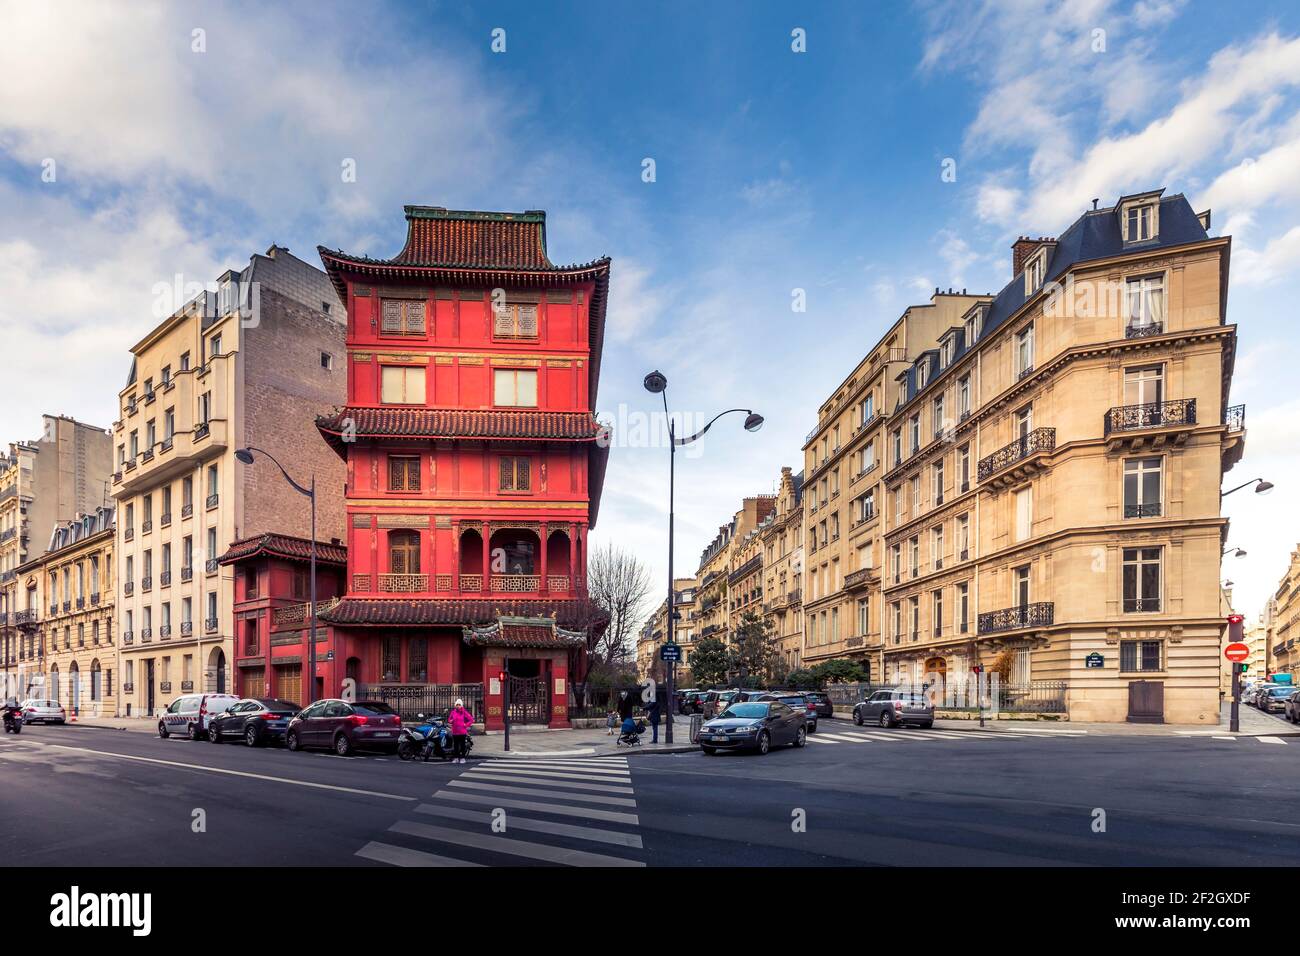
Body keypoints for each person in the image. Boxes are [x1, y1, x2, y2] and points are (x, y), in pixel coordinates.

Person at [448, 698, 474, 764]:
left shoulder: (464, 712)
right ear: (455, 705)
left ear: (461, 705)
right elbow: (449, 719)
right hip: (455, 731)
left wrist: (466, 725)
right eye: (457, 704)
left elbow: (471, 720)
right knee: (455, 746)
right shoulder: (453, 712)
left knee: (462, 746)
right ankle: (456, 758)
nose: (458, 706)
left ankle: (462, 758)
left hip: (462, 732)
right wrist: (450, 721)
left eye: (459, 705)